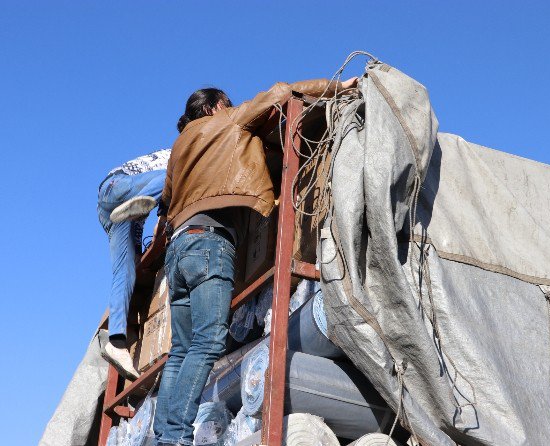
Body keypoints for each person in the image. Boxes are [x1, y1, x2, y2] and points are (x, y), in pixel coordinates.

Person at [153, 78, 358, 445]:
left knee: (181, 351)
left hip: (178, 249)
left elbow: (166, 198)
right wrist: (337, 85)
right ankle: (175, 438)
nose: (231, 106)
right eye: (227, 102)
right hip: (209, 244)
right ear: (215, 106)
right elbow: (280, 92)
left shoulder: (179, 147)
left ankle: (164, 434)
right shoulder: (227, 120)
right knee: (208, 342)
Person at [97, 148, 171, 380]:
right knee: (175, 175)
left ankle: (116, 342)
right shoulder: (181, 151)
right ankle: (142, 202)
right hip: (117, 186)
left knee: (125, 272)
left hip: (113, 211)